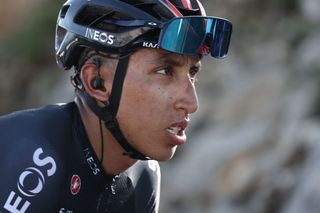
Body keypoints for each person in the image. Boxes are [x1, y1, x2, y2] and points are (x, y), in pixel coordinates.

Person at [0, 0, 232, 212]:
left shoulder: (143, 178)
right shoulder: (30, 160)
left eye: (192, 72)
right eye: (165, 71)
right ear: (97, 82)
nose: (192, 104)